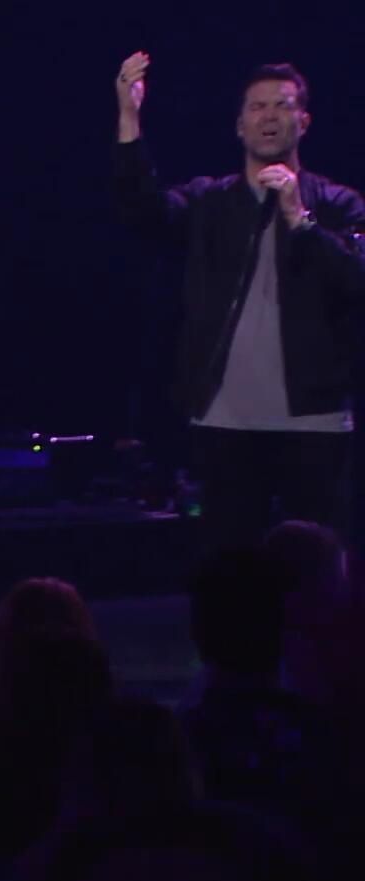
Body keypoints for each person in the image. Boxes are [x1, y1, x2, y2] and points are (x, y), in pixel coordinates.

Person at [114, 54, 365, 549]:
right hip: (224, 421)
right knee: (228, 567)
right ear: (239, 125)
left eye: (282, 106)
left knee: (318, 566)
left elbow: (356, 276)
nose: (269, 116)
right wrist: (129, 118)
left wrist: (300, 219)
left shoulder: (338, 203)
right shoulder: (209, 200)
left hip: (313, 421)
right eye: (257, 106)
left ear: (304, 121)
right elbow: (143, 212)